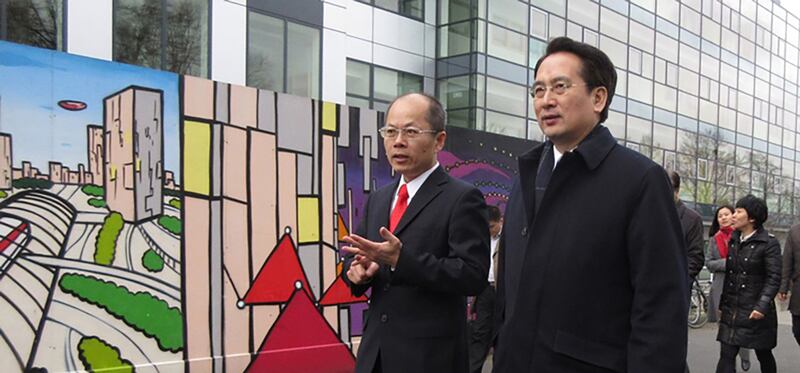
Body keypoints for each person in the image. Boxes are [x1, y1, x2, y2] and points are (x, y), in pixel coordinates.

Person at [492, 36, 688, 373]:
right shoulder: (525, 174)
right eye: (538, 91)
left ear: (598, 98)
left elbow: (661, 308)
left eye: (560, 87)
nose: (546, 101)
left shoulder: (640, 180)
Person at [342, 92, 490, 373]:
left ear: (439, 140)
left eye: (411, 131)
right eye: (390, 131)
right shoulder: (379, 199)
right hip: (376, 353)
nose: (398, 141)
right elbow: (357, 258)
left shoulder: (462, 198)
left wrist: (402, 260)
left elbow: (473, 275)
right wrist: (356, 272)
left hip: (430, 358)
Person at [715, 195, 781, 373]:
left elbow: (774, 277)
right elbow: (730, 276)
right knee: (726, 355)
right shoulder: (735, 240)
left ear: (752, 218)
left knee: (763, 353)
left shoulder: (769, 243)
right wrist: (723, 304)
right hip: (733, 309)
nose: (733, 216)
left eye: (738, 211)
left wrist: (761, 306)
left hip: (756, 311)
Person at [706, 204, 752, 370]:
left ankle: (745, 355)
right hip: (720, 287)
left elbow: (747, 260)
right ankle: (727, 362)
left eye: (726, 214)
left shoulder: (742, 236)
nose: (723, 218)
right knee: (724, 330)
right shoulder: (714, 239)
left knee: (741, 326)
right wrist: (729, 263)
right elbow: (709, 263)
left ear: (733, 216)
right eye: (720, 216)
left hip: (740, 288)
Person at [468, 205, 502, 373]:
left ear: (500, 221)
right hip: (484, 290)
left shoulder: (509, 238)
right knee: (480, 332)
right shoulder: (481, 238)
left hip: (502, 291)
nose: (489, 230)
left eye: (492, 227)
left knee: (501, 334)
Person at [670, 171, 704, 282]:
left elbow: (695, 258)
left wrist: (679, 281)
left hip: (676, 288)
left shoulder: (692, 219)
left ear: (677, 191)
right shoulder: (648, 214)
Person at [779, 223, 800, 348]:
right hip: (798, 288)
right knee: (797, 330)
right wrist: (783, 286)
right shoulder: (795, 231)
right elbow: (787, 260)